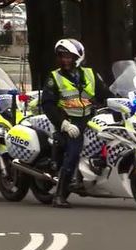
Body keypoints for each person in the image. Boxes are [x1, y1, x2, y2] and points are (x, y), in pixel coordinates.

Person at [41, 38, 114, 208]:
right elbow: (48, 105)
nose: (65, 60)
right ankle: (59, 195)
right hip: (68, 122)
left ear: (78, 57)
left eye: (69, 56)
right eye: (62, 56)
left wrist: (122, 102)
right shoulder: (54, 78)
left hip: (88, 119)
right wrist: (64, 124)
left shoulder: (90, 74)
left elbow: (106, 93)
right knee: (74, 152)